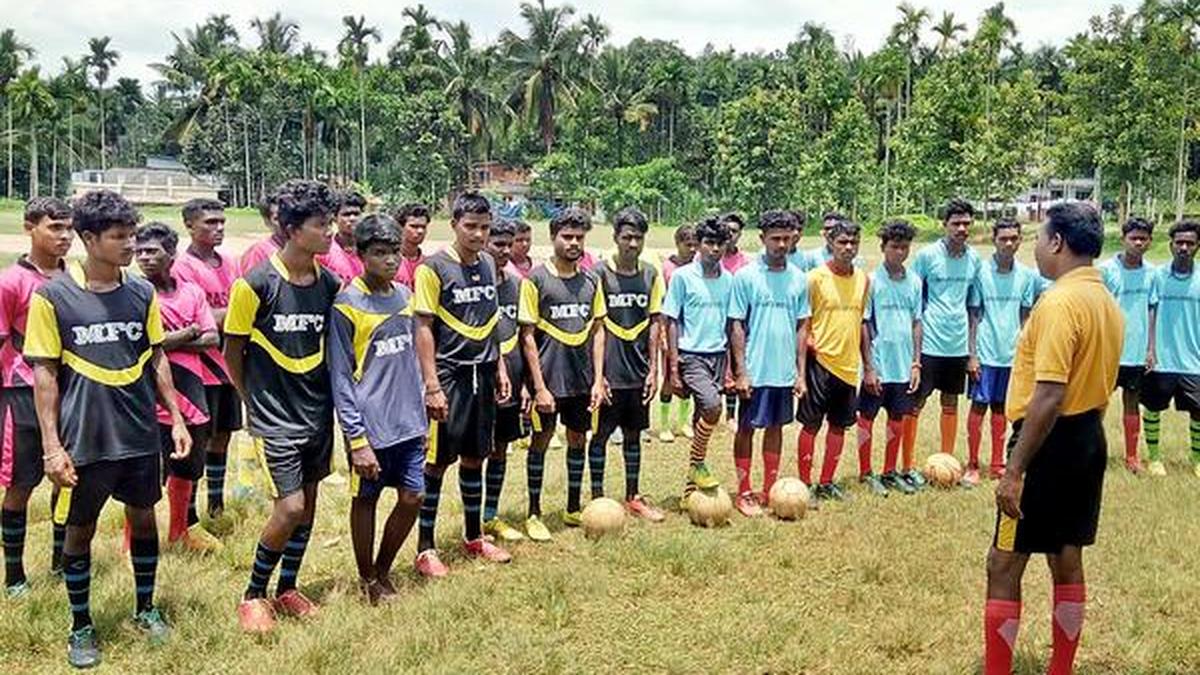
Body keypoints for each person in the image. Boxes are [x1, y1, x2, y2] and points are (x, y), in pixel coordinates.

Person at [25, 190, 191, 668]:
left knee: (143, 517)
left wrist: (176, 417)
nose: (131, 245)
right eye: (120, 237)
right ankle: (81, 625)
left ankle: (146, 608)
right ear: (89, 238)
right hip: (85, 437)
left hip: (138, 432)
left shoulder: (141, 292)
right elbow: (44, 374)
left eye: (133, 235)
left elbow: (156, 356)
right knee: (80, 530)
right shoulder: (53, 297)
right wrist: (52, 447)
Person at [985, 202, 1122, 675]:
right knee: (1067, 558)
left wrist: (1014, 471)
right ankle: (1061, 669)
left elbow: (1049, 393)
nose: (1038, 248)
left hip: (1044, 443)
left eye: (1041, 239)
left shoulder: (1060, 302)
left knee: (1003, 563)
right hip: (1088, 438)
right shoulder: (1105, 302)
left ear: (1058, 242)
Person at [225, 180, 340, 633]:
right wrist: (250, 399)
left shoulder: (329, 283)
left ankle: (287, 588)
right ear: (292, 230)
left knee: (307, 506)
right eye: (321, 225)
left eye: (331, 223)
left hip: (317, 414)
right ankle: (253, 594)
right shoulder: (254, 285)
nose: (330, 232)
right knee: (289, 507)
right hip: (274, 418)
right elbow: (233, 351)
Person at [328, 214, 427, 604]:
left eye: (395, 252)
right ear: (361, 254)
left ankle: (384, 568)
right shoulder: (346, 305)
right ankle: (367, 577)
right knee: (366, 499)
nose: (390, 260)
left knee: (413, 497)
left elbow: (415, 357)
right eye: (380, 253)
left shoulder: (405, 296)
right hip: (371, 428)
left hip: (410, 422)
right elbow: (341, 378)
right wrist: (356, 439)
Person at [413, 192, 513, 575]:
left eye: (484, 227)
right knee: (437, 462)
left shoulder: (487, 262)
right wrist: (432, 385)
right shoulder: (433, 269)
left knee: (475, 457)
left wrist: (499, 367)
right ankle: (425, 548)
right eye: (470, 226)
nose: (478, 234)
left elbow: (489, 320)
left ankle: (474, 537)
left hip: (482, 373)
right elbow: (423, 327)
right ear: (454, 224)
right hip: (449, 375)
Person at [133, 223, 221, 553]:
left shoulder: (192, 292)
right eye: (139, 251)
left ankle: (179, 532)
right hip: (149, 394)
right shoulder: (135, 293)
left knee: (187, 467)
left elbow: (212, 337)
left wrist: (167, 341)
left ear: (171, 254)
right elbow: (142, 345)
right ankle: (131, 542)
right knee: (144, 473)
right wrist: (187, 333)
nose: (144, 257)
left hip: (192, 393)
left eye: (151, 251)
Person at [519, 208, 607, 539]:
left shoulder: (592, 281)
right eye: (567, 236)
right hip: (548, 382)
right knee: (540, 442)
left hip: (581, 381)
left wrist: (597, 380)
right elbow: (527, 336)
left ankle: (572, 506)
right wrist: (539, 387)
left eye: (579, 237)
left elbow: (598, 331)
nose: (573, 243)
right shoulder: (536, 280)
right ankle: (534, 512)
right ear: (553, 237)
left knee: (578, 439)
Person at [0, 197, 72, 598]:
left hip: (70, 392)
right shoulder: (11, 281)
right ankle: (14, 575)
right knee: (21, 484)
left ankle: (62, 561)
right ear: (30, 228)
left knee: (68, 479)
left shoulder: (75, 278)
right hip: (21, 393)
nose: (64, 236)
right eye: (55, 227)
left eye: (69, 228)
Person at [728, 210, 809, 516]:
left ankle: (770, 488)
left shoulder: (799, 278)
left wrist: (800, 374)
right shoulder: (746, 276)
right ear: (762, 238)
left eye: (787, 238)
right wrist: (741, 372)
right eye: (775, 239)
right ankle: (744, 490)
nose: (782, 244)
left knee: (776, 427)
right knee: (746, 428)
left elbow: (802, 327)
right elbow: (736, 325)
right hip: (755, 370)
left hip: (783, 371)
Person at [589, 207, 666, 521]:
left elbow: (655, 322)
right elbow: (595, 327)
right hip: (608, 374)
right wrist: (598, 376)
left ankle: (633, 496)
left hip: (638, 373)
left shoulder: (650, 274)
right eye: (627, 237)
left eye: (638, 238)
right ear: (615, 237)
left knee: (634, 435)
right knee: (600, 436)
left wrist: (653, 370)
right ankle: (597, 499)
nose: (633, 243)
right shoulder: (598, 274)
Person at [171, 197, 242, 520]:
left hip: (229, 366)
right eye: (210, 222)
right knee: (198, 440)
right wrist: (232, 315)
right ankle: (187, 513)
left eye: (222, 221)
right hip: (199, 369)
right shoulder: (182, 267)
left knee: (223, 436)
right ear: (189, 226)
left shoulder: (230, 262)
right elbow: (196, 319)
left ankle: (216, 504)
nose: (219, 228)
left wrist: (226, 316)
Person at [797, 220, 870, 500]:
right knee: (811, 424)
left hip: (849, 367)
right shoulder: (814, 278)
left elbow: (861, 322)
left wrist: (868, 366)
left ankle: (826, 483)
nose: (848, 247)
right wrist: (804, 360)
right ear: (830, 243)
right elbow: (803, 322)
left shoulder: (863, 279)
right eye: (842, 242)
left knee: (839, 425)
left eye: (853, 242)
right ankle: (805, 484)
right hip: (820, 363)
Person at [662, 217, 733, 502]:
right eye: (709, 243)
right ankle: (699, 464)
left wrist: (731, 367)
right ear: (699, 245)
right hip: (691, 356)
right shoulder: (682, 277)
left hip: (718, 355)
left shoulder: (729, 280)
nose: (714, 249)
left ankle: (689, 493)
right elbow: (671, 321)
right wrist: (673, 367)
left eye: (720, 244)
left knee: (701, 415)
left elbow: (731, 324)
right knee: (713, 407)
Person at [965, 220, 1038, 485]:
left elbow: (1025, 318)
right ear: (993, 240)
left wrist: (1025, 355)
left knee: (1001, 408)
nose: (1008, 243)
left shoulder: (1026, 276)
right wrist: (972, 354)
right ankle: (973, 465)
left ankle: (997, 464)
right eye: (1003, 238)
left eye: (1014, 238)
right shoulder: (981, 272)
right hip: (985, 352)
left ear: (1020, 241)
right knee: (979, 406)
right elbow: (973, 315)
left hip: (1012, 355)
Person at [856, 219, 923, 496]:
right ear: (883, 247)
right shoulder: (872, 281)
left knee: (897, 417)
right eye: (895, 246)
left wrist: (916, 363)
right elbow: (864, 324)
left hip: (903, 365)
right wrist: (869, 367)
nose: (900, 252)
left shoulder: (915, 282)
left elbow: (917, 322)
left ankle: (889, 471)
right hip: (879, 364)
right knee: (867, 418)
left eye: (905, 247)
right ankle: (865, 472)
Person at [912, 199, 982, 466]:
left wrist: (972, 353)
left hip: (957, 343)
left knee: (951, 401)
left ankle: (947, 460)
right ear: (945, 225)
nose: (962, 228)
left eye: (966, 223)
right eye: (956, 223)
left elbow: (973, 309)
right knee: (917, 401)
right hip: (930, 341)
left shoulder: (974, 259)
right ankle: (906, 464)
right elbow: (914, 298)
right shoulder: (927, 256)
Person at [482, 219, 529, 542]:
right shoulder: (473, 286)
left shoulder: (517, 285)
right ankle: (470, 522)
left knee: (500, 448)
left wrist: (524, 383)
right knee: (472, 453)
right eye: (497, 244)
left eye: (508, 244)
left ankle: (490, 515)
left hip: (511, 381)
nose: (504, 250)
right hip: (478, 380)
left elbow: (525, 336)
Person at [1141, 220, 1200, 477]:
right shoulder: (1157, 276)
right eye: (1179, 243)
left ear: (1198, 246)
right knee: (1153, 408)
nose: (1184, 248)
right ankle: (1154, 458)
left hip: (1194, 360)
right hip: (1161, 359)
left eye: (1190, 243)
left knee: (1198, 413)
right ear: (1170, 245)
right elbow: (1150, 312)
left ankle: (1197, 460)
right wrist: (1149, 349)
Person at [1100, 218, 1159, 474]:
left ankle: (1132, 457)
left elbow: (1152, 309)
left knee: (1132, 402)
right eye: (1133, 237)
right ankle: (1091, 453)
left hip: (1136, 352)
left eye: (1143, 238)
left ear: (1150, 242)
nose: (1138, 242)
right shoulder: (1106, 270)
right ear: (1123, 239)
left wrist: (1150, 348)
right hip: (1109, 352)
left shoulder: (1152, 273)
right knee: (1097, 404)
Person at [656, 224, 697, 443]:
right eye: (687, 244)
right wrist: (663, 333)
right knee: (669, 378)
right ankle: (664, 425)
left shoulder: (698, 267)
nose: (692, 249)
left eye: (695, 245)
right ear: (677, 243)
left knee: (688, 378)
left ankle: (683, 422)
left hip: (691, 331)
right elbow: (662, 303)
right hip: (671, 328)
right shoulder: (667, 268)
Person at [718, 213, 749, 433]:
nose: (730, 235)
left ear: (740, 234)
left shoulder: (745, 263)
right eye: (727, 230)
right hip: (713, 320)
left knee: (735, 367)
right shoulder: (710, 255)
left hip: (737, 322)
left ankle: (730, 414)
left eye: (735, 231)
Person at [317, 190, 367, 285]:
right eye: (346, 214)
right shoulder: (324, 252)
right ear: (335, 218)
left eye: (356, 214)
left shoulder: (370, 250)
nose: (352, 218)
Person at [238, 195, 284, 276]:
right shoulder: (258, 253)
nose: (284, 222)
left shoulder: (303, 249)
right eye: (276, 219)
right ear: (267, 222)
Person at [394, 202, 430, 289]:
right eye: (414, 226)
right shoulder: (389, 263)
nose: (420, 231)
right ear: (400, 227)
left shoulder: (429, 264)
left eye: (423, 227)